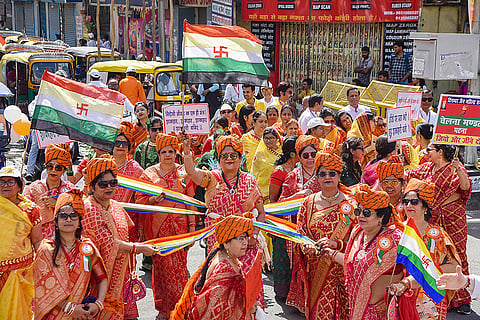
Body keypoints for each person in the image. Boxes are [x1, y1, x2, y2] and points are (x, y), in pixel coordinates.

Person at [180, 134, 266, 305]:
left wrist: (254, 236)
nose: (229, 159)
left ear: (241, 159)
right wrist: (187, 151)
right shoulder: (212, 178)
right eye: (224, 156)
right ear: (218, 159)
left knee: (247, 289)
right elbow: (192, 172)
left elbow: (261, 213)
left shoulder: (250, 181)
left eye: (233, 155)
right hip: (218, 243)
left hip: (245, 244)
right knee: (221, 288)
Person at [82, 155, 157, 320]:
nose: (109, 187)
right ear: (92, 186)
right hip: (98, 277)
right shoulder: (89, 208)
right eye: (103, 184)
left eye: (113, 183)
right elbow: (108, 243)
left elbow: (128, 232)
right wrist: (139, 248)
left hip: (121, 272)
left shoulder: (115, 206)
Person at [287, 153, 356, 319]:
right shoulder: (308, 203)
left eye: (332, 173)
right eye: (322, 174)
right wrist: (305, 246)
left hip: (343, 272)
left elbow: (359, 240)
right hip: (317, 272)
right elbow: (300, 234)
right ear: (317, 177)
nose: (327, 177)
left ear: (339, 176)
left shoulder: (352, 204)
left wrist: (337, 244)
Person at [135, 134, 196, 320]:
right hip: (158, 229)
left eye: (171, 151)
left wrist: (192, 227)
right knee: (161, 270)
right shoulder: (149, 174)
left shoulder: (184, 172)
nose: (168, 154)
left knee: (179, 269)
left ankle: (180, 307)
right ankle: (164, 309)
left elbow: (190, 200)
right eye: (164, 151)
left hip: (181, 229)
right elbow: (140, 200)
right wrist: (153, 199)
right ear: (158, 153)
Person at [407, 144, 472, 313]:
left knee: (457, 253)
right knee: (435, 255)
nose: (426, 153)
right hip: (433, 218)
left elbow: (465, 187)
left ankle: (462, 298)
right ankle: (439, 296)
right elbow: (410, 176)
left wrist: (458, 170)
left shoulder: (454, 167)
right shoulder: (427, 169)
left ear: (440, 152)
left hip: (453, 217)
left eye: (430, 150)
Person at [329, 184, 405, 319]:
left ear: (381, 216)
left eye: (367, 213)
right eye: (359, 211)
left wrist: (404, 284)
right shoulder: (357, 232)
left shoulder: (395, 239)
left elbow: (416, 268)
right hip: (356, 308)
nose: (361, 216)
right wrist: (331, 253)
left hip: (380, 313)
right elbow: (352, 262)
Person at [33, 189, 108, 320]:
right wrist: (70, 308)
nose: (69, 219)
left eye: (74, 215)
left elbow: (101, 278)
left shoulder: (87, 248)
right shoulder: (46, 250)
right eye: (63, 216)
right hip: (53, 314)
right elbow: (41, 288)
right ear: (55, 222)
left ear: (79, 221)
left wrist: (99, 304)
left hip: (82, 313)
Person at [391, 179, 460, 319]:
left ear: (425, 207)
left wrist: (426, 273)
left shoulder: (438, 235)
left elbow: (454, 266)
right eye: (406, 202)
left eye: (414, 202)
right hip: (400, 294)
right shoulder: (395, 232)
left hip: (430, 296)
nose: (409, 205)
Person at [171, 214, 260, 319]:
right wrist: (249, 308)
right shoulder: (224, 268)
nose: (245, 242)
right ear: (226, 243)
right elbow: (216, 310)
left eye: (246, 237)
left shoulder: (227, 257)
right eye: (240, 238)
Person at [0, 167, 42, 319]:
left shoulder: (31, 210)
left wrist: (45, 262)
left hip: (19, 272)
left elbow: (37, 240)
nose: (5, 185)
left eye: (10, 181)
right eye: (1, 182)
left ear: (19, 185)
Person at [268, 136, 299, 299]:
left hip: (297, 221)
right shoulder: (279, 171)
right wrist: (273, 223)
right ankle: (282, 293)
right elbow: (273, 199)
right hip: (280, 220)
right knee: (282, 257)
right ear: (294, 152)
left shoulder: (300, 170)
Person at [24, 144, 75, 238]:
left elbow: (79, 212)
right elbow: (24, 213)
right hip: (39, 239)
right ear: (46, 168)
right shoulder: (33, 189)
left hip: (64, 239)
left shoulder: (71, 190)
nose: (53, 170)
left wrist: (58, 204)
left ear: (64, 171)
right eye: (50, 166)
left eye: (58, 168)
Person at [112, 122, 144, 243]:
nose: (120, 146)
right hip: (106, 220)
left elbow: (141, 198)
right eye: (117, 143)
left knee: (128, 259)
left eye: (124, 143)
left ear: (129, 146)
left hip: (129, 221)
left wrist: (141, 225)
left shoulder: (136, 169)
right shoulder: (104, 164)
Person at [251, 127, 282, 202]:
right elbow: (255, 173)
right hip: (263, 192)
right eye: (266, 138)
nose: (268, 141)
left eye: (271, 138)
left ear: (277, 138)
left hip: (279, 189)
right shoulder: (259, 155)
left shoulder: (282, 153)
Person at [376, 156, 406, 228]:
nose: (389, 186)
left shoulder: (408, 203)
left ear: (402, 184)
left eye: (394, 182)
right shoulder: (378, 204)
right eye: (385, 183)